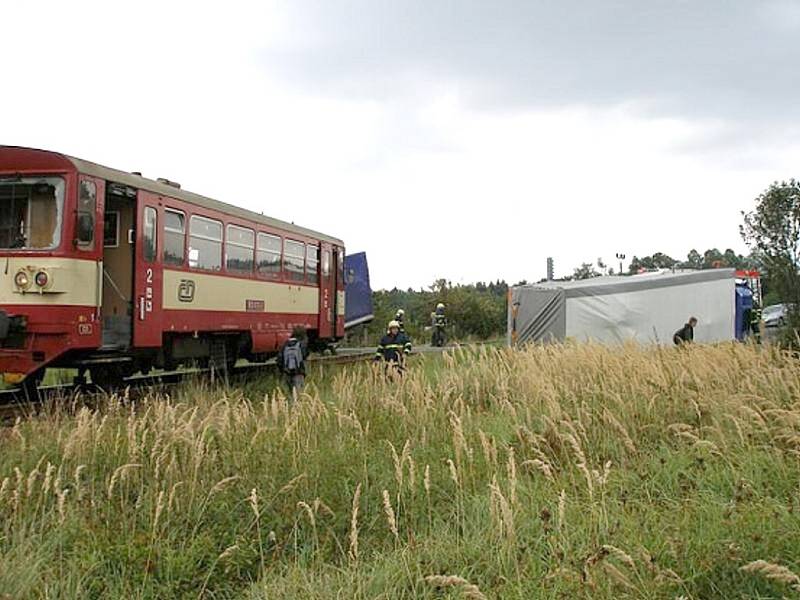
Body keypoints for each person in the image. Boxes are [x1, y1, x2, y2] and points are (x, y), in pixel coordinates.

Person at [277, 329, 309, 398]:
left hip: (287, 373)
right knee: (299, 395)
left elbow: (279, 359)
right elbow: (305, 356)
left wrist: (283, 370)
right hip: (298, 373)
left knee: (289, 394)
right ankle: (297, 408)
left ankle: (290, 407)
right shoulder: (301, 345)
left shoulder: (285, 345)